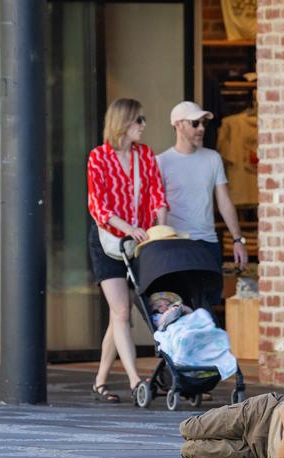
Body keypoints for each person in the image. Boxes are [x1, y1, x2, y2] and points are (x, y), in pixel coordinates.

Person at [87, 98, 168, 403]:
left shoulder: (144, 155)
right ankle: (136, 380)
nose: (143, 126)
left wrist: (161, 231)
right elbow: (98, 206)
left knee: (117, 314)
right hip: (108, 242)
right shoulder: (99, 157)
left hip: (142, 242)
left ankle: (99, 382)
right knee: (122, 310)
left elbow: (158, 195)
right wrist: (126, 227)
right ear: (123, 123)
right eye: (139, 120)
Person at [157, 101, 248, 303]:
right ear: (178, 125)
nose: (201, 129)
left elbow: (224, 201)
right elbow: (155, 207)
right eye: (195, 123)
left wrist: (237, 240)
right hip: (176, 244)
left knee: (208, 305)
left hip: (208, 244)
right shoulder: (160, 162)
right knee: (181, 308)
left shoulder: (213, 158)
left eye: (203, 124)